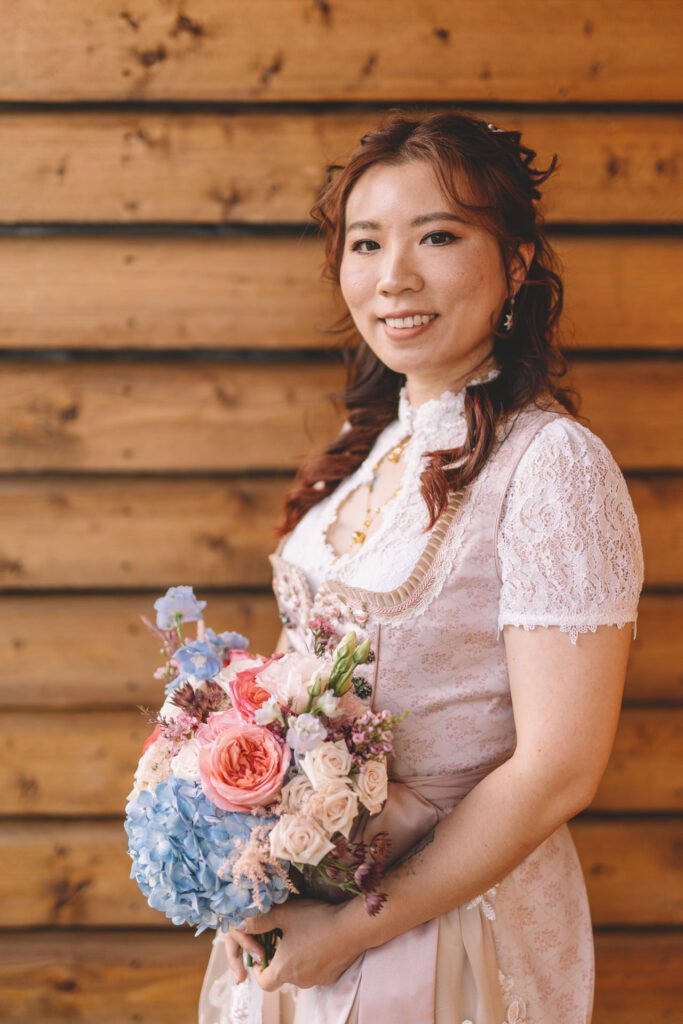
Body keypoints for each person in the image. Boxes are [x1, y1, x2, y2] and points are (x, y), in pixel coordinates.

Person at [199, 109, 644, 1023]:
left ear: (515, 264)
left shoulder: (550, 465)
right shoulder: (370, 445)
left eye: (437, 237)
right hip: (308, 910)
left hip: (442, 922)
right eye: (366, 243)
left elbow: (559, 769)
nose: (393, 276)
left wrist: (350, 927)